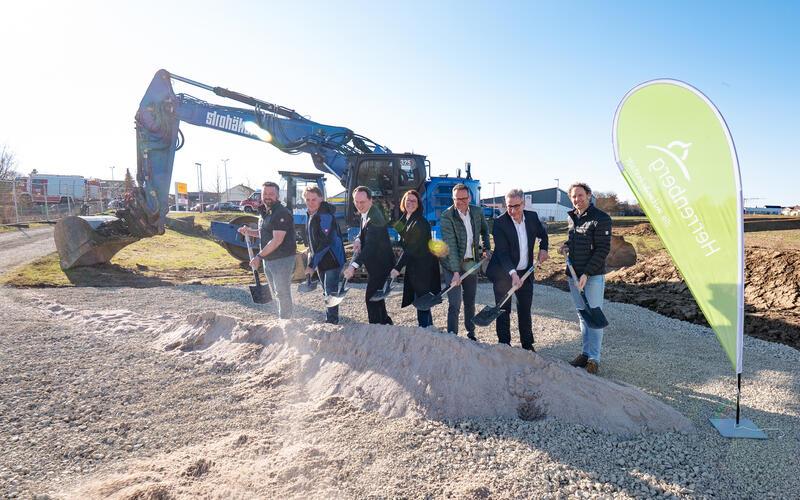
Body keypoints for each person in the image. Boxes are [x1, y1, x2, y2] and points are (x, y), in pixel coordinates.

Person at [485, 189, 549, 351]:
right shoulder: (500, 223)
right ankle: (504, 344)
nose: (512, 211)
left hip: (525, 272)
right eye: (508, 207)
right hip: (503, 273)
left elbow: (543, 234)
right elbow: (502, 253)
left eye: (516, 206)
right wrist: (513, 274)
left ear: (523, 203)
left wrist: (544, 248)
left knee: (525, 309)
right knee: (503, 309)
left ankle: (527, 344)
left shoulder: (532, 218)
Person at [559, 182, 612, 374]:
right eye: (573, 196)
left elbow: (602, 249)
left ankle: (594, 359)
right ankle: (585, 353)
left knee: (594, 316)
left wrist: (587, 273)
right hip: (573, 274)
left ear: (589, 195)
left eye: (580, 195)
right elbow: (574, 240)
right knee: (582, 314)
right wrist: (565, 246)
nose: (577, 199)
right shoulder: (572, 216)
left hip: (592, 276)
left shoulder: (601, 218)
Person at [238, 181, 297, 319]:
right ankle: (283, 318)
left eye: (271, 194)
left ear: (277, 196)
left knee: (282, 292)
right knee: (276, 292)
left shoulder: (281, 213)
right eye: (265, 193)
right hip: (269, 258)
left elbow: (277, 240)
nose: (268, 196)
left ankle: (286, 322)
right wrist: (249, 232)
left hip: (282, 259)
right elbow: (265, 233)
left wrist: (258, 256)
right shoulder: (265, 212)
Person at [439, 183, 491, 339]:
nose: (460, 202)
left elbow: (485, 230)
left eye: (463, 198)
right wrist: (455, 272)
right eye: (456, 199)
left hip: (470, 263)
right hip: (451, 266)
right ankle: (452, 336)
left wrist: (486, 248)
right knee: (455, 303)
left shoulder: (477, 211)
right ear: (453, 199)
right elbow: (451, 247)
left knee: (470, 301)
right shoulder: (447, 216)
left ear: (469, 198)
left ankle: (471, 333)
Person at [390, 190, 441, 327]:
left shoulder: (420, 223)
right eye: (408, 200)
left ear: (418, 204)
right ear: (403, 202)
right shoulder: (407, 219)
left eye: (414, 201)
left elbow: (411, 248)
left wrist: (397, 267)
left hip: (423, 267)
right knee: (421, 300)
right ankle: (428, 329)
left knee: (422, 301)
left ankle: (425, 330)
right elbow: (402, 236)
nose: (410, 203)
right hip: (415, 266)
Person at [343, 186, 394, 325]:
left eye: (362, 202)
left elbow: (370, 247)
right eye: (356, 202)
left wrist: (353, 266)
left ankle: (375, 328)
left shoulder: (375, 217)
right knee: (377, 297)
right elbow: (364, 232)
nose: (359, 205)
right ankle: (386, 324)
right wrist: (359, 239)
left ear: (370, 200)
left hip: (381, 264)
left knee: (370, 298)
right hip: (376, 264)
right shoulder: (367, 212)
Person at [303, 186, 346, 324]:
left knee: (330, 292)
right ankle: (330, 318)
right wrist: (310, 252)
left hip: (332, 259)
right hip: (321, 260)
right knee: (326, 292)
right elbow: (314, 240)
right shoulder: (311, 214)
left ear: (321, 198)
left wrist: (311, 265)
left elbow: (325, 242)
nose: (310, 202)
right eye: (307, 199)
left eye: (314, 199)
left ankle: (332, 322)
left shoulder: (325, 215)